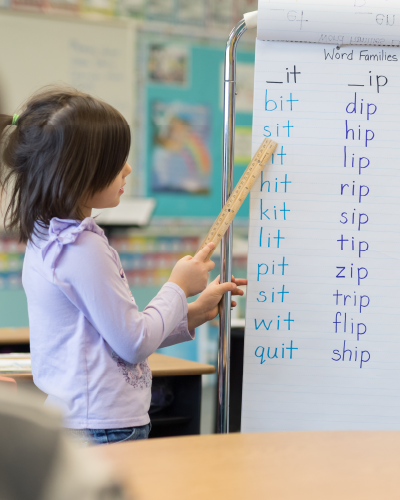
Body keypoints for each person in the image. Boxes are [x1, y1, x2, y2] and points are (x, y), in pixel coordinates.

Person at [0, 86, 246, 445]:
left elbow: (113, 335)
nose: (128, 169)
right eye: (116, 162)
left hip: (91, 420)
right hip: (102, 426)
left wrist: (190, 313)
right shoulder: (80, 249)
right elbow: (133, 342)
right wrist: (177, 286)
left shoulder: (51, 238)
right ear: (77, 173)